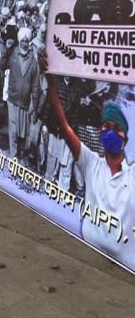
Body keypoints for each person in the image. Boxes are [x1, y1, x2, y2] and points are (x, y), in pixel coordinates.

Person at [45, 62, 134, 271]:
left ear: (126, 139)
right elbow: (64, 126)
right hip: (86, 260)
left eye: (116, 129)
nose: (110, 132)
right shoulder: (91, 162)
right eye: (106, 127)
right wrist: (50, 83)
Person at [1, 28, 41, 160]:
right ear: (19, 41)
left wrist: (34, 106)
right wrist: (6, 50)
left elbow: (36, 86)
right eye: (22, 41)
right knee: (13, 130)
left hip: (25, 103)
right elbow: (2, 65)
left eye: (26, 41)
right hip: (12, 99)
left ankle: (21, 153)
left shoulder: (33, 61)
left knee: (22, 132)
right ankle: (14, 156)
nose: (24, 43)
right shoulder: (12, 54)